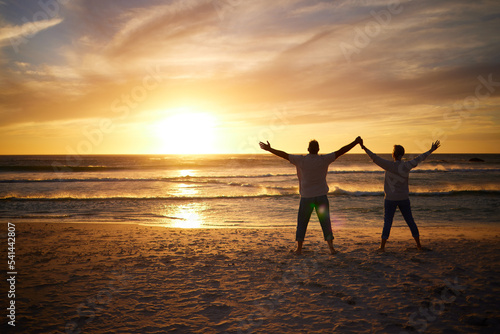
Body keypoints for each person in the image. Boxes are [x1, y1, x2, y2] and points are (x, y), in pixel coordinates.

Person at [259, 137, 362, 255]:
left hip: (306, 197)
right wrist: (355, 142)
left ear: (308, 149)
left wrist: (270, 149)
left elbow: (284, 155)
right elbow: (341, 151)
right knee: (325, 223)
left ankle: (299, 249)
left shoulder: (301, 160)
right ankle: (331, 248)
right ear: (318, 149)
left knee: (302, 223)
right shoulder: (324, 159)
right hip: (321, 196)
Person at [359, 139, 441, 252]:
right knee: (410, 221)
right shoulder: (407, 165)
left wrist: (364, 148)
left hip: (390, 199)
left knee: (387, 222)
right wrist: (431, 149)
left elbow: (374, 157)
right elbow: (420, 158)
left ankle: (382, 247)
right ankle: (418, 245)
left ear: (393, 154)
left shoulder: (389, 165)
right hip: (403, 198)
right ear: (402, 155)